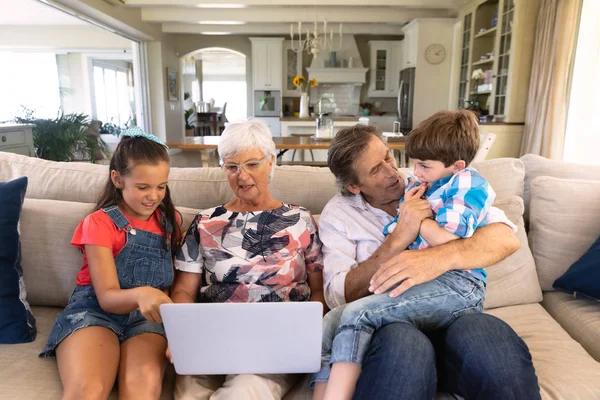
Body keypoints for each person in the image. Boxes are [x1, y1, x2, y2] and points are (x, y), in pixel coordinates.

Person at [313, 122, 541, 400]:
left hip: (456, 313)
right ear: (354, 186)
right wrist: (399, 238)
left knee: (488, 338)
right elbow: (339, 295)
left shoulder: (430, 177)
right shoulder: (338, 215)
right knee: (403, 343)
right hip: (391, 329)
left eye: (387, 156)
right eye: (375, 170)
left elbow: (506, 238)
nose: (392, 172)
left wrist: (440, 258)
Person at [171, 120, 326, 400]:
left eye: (252, 164)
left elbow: (319, 290)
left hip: (276, 346)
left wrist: (307, 338)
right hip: (212, 340)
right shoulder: (206, 222)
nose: (242, 177)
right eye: (232, 167)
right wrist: (181, 335)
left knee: (243, 393)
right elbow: (183, 290)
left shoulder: (301, 220)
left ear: (271, 161)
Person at [40, 127, 182, 400]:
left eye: (161, 186)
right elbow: (106, 298)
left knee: (142, 390)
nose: (153, 196)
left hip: (146, 320)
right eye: (143, 187)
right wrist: (143, 293)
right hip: (95, 312)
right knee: (88, 391)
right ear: (117, 179)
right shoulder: (99, 223)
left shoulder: (170, 221)